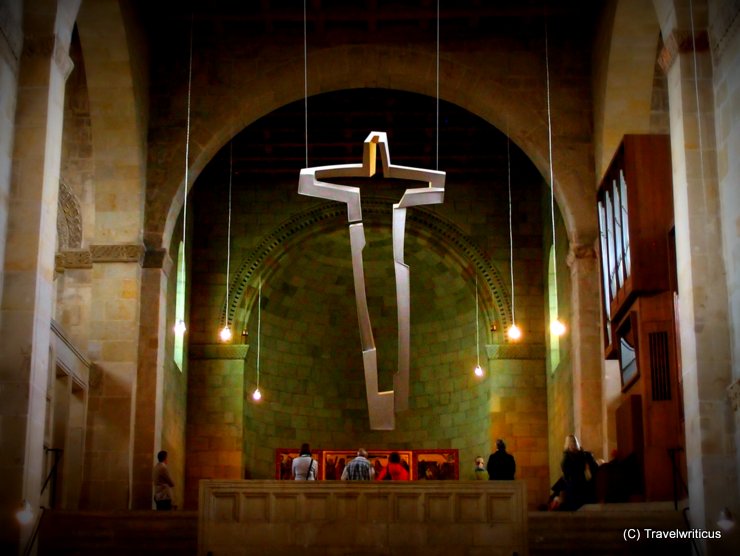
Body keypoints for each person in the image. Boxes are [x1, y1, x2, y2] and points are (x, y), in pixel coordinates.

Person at [558, 434, 598, 510]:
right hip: (576, 487)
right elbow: (567, 474)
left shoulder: (585, 455)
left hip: (583, 486)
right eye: (571, 443)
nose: (573, 444)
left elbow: (594, 468)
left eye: (574, 442)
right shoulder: (567, 459)